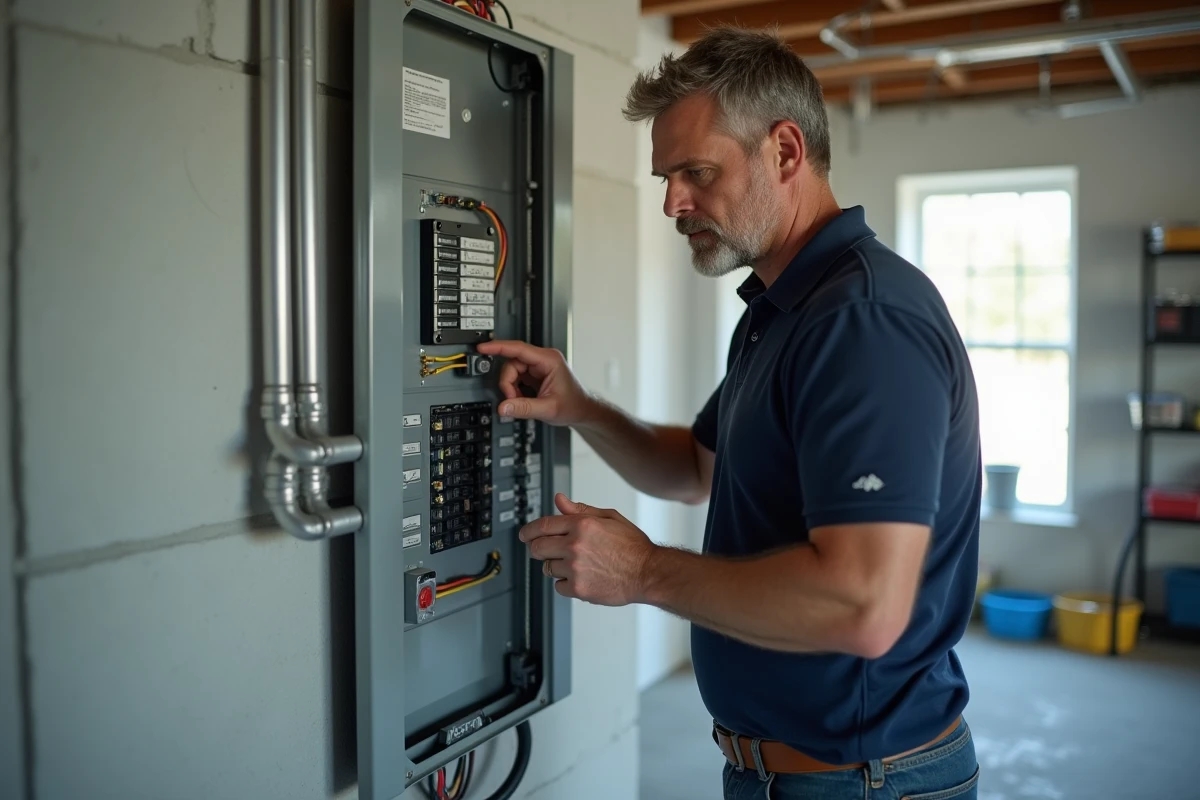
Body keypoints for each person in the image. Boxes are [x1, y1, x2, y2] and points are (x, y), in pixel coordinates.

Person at [476, 25, 983, 800]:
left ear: (784, 152)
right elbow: (693, 470)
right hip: (788, 776)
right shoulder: (778, 312)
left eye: (697, 171)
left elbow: (864, 607)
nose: (675, 202)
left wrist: (643, 571)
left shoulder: (862, 321)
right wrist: (578, 407)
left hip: (864, 783)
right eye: (666, 178)